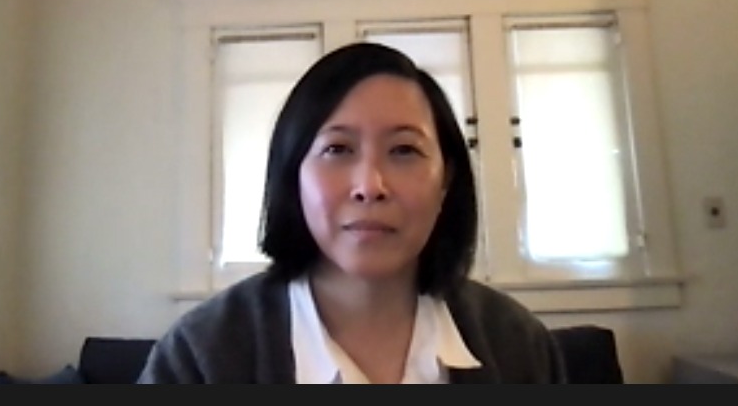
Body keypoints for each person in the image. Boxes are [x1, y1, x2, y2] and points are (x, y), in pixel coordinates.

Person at [142, 43, 564, 382]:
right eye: (337, 150)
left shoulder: (518, 346)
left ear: (446, 181)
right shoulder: (198, 358)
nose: (370, 186)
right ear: (294, 177)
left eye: (404, 150)